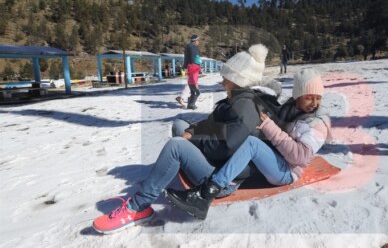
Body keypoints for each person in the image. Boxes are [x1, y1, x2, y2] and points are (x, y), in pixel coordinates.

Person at [93, 44, 271, 234]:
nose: (222, 81)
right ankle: (166, 168)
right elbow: (209, 124)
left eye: (226, 77)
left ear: (238, 79)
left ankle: (138, 207)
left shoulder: (245, 107)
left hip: (224, 179)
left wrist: (192, 142)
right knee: (180, 126)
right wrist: (192, 132)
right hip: (217, 160)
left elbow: (226, 147)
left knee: (176, 146)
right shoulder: (235, 100)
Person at [165, 68, 332, 220]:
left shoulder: (317, 124)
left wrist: (270, 128)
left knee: (252, 144)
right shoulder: (290, 110)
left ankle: (206, 193)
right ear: (298, 96)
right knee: (246, 140)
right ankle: (195, 161)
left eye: (318, 98)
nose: (315, 103)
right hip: (277, 161)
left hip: (287, 172)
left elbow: (299, 157)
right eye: (309, 97)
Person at [177, 34, 201, 109]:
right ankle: (183, 98)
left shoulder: (188, 46)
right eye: (198, 40)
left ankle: (191, 98)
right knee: (192, 83)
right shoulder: (193, 47)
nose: (199, 42)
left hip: (189, 66)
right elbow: (195, 58)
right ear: (195, 41)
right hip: (192, 67)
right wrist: (198, 64)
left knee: (191, 83)